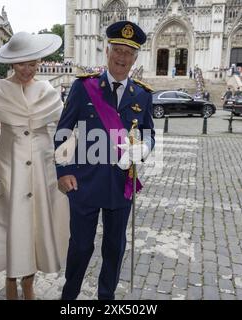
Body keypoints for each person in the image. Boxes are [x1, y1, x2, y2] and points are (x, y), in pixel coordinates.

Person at [0, 32, 69, 300]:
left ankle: (29, 281)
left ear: (40, 61)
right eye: (22, 63)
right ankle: (12, 279)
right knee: (12, 227)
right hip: (9, 168)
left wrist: (68, 166)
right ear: (12, 63)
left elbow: (63, 132)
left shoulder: (48, 90)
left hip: (42, 171)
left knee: (36, 227)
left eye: (32, 63)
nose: (28, 69)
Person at [55, 20, 155, 300]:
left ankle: (106, 298)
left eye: (129, 53)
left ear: (136, 58)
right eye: (118, 50)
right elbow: (63, 131)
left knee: (114, 247)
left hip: (121, 184)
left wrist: (144, 148)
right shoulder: (84, 87)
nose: (122, 57)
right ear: (108, 51)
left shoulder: (143, 95)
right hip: (84, 183)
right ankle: (69, 296)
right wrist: (63, 171)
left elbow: (149, 133)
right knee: (81, 247)